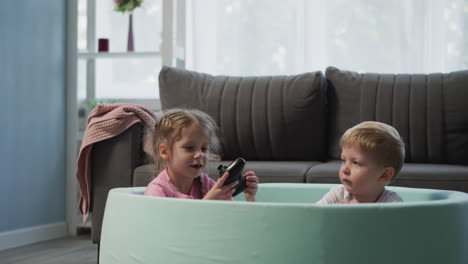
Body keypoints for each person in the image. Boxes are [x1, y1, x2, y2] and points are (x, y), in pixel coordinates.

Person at [145, 108, 258, 201]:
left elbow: (236, 217)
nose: (199, 154)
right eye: (189, 148)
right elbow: (167, 226)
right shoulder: (157, 191)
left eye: (204, 149)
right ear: (165, 152)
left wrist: (250, 198)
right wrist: (209, 201)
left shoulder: (205, 183)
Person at [316, 121, 405, 204]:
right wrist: (333, 214)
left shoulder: (392, 203)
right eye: (343, 160)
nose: (345, 170)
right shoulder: (338, 195)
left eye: (355, 163)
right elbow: (313, 217)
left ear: (384, 175)